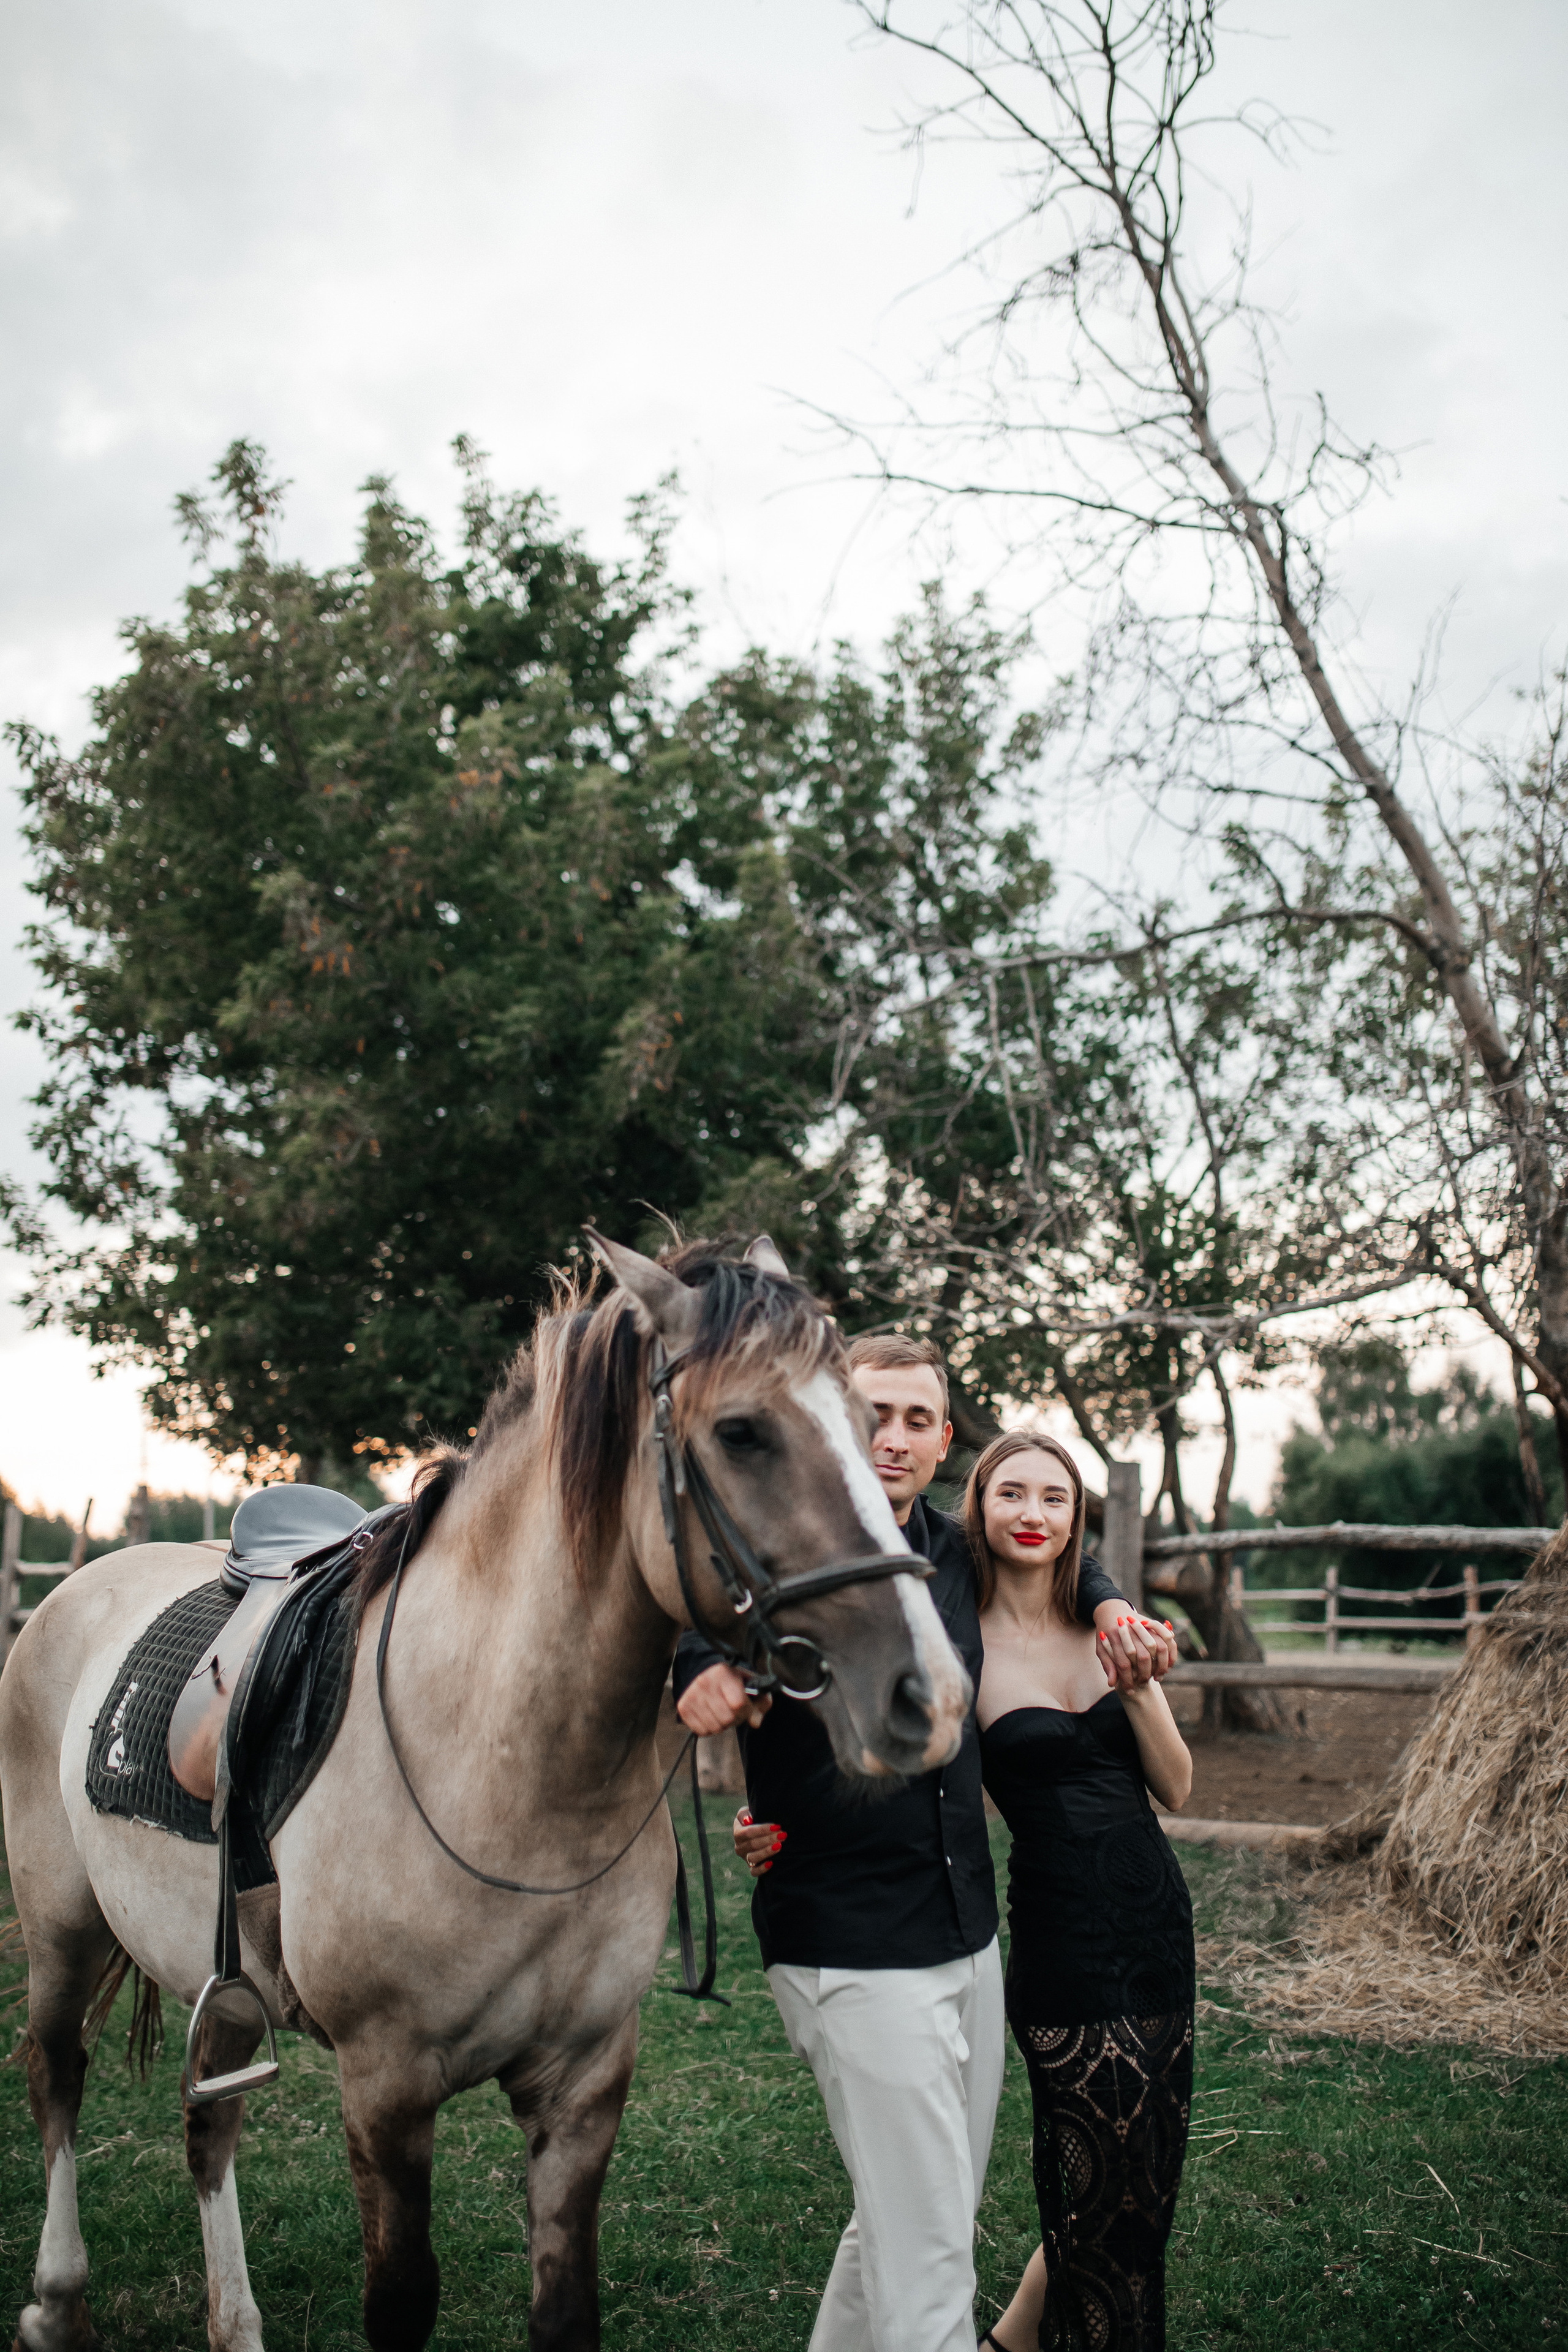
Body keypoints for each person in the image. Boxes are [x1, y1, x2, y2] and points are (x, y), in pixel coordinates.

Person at [676, 1333, 1177, 2352]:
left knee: (907, 2215)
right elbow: (696, 1626)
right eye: (873, 1416)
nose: (893, 1438)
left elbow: (1058, 1546)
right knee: (935, 2248)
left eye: (917, 1420)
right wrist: (703, 1676)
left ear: (946, 1441)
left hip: (968, 1932)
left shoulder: (954, 1552)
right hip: (850, 1941)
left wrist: (1114, 1600)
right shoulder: (770, 1552)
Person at [971, 1430, 1196, 2352]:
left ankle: (1009, 2345)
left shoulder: (1109, 1630)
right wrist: (774, 1820)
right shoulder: (960, 1647)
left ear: (1075, 1521)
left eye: (1055, 1497)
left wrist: (1135, 1684)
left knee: (1147, 2186)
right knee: (1097, 2185)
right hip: (1061, 1943)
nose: (1034, 1513)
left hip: (1155, 1931)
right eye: (1012, 1493)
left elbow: (1176, 1785)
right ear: (980, 1508)